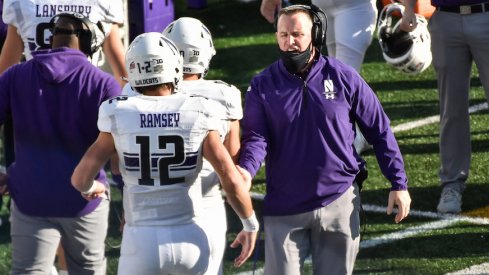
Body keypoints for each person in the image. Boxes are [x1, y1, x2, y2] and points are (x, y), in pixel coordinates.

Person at [238, 4, 412, 274]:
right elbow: (255, 138)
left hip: (339, 201)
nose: (290, 41)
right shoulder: (262, 83)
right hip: (285, 207)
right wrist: (246, 171)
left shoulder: (343, 76)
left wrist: (398, 182)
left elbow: (379, 129)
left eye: (297, 34)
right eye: (283, 35)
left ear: (315, 35)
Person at [72, 32, 259, 275]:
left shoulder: (118, 111)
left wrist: (90, 188)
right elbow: (230, 177)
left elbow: (80, 178)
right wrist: (250, 224)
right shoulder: (198, 110)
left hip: (141, 240)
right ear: (175, 67)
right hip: (189, 235)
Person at [0, 12, 121, 274]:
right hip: (85, 200)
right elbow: (121, 149)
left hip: (29, 199)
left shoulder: (13, 77)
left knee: (28, 271)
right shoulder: (104, 84)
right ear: (88, 40)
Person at [162, 17, 243, 275]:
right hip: (206, 202)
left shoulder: (137, 93)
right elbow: (232, 156)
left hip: (154, 202)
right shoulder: (226, 94)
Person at [401, 0, 489, 214]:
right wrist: (409, 8)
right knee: (451, 107)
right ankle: (452, 182)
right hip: (445, 18)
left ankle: (452, 183)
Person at [260, 0, 378, 154]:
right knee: (334, 75)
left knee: (341, 79)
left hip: (355, 6)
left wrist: (409, 10)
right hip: (322, 8)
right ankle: (363, 130)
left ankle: (350, 140)